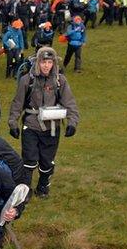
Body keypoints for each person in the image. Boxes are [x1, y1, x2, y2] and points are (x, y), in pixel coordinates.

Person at [7, 46, 80, 198]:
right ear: (37, 62)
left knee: (47, 161)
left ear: (54, 63)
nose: (46, 65)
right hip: (31, 126)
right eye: (43, 62)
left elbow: (70, 102)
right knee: (29, 160)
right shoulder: (27, 80)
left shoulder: (60, 81)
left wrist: (72, 122)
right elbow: (17, 103)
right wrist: (13, 123)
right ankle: (25, 191)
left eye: (49, 62)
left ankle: (42, 187)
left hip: (52, 128)